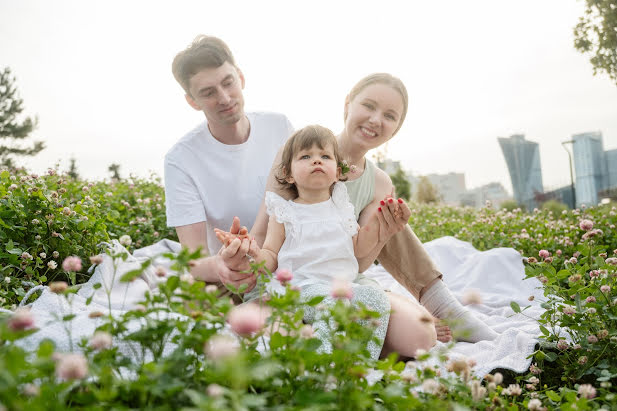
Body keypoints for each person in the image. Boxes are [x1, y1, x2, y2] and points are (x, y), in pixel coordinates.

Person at [249, 73, 498, 343]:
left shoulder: (379, 181)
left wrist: (383, 232)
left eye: (390, 116)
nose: (376, 120)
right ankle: (438, 305)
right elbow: (265, 232)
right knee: (285, 337)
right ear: (348, 105)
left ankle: (428, 311)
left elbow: (357, 261)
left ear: (396, 129)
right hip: (290, 278)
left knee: (419, 335)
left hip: (342, 279)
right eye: (368, 106)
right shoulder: (299, 149)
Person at [221, 124, 436, 360]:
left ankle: (358, 362)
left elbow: (357, 247)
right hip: (302, 289)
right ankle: (324, 365)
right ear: (289, 173)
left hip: (344, 287)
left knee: (376, 300)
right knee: (335, 306)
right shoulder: (284, 211)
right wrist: (253, 252)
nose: (317, 161)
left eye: (325, 156)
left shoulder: (341, 205)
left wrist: (381, 226)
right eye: (306, 156)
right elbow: (270, 255)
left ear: (338, 171)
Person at [164, 35, 293, 299]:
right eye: (208, 92)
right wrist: (223, 265)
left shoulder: (279, 127)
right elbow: (194, 260)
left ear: (241, 78)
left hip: (291, 256)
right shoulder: (180, 159)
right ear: (192, 101)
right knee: (197, 307)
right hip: (233, 271)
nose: (224, 98)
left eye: (228, 83)